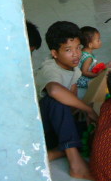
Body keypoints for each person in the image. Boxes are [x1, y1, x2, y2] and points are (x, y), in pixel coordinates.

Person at [34, 21, 98, 180]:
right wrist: (87, 109)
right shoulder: (49, 68)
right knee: (56, 100)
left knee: (92, 131)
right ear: (55, 53)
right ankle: (75, 162)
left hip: (58, 127)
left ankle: (54, 153)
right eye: (68, 50)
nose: (76, 54)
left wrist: (85, 114)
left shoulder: (73, 68)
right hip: (41, 131)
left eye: (78, 48)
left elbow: (73, 98)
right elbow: (55, 91)